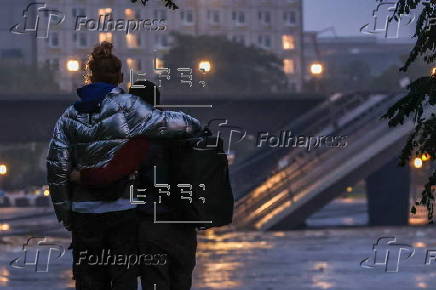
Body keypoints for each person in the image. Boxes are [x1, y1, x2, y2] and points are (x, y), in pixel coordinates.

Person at [46, 42, 200, 290]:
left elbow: (56, 170)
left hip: (83, 213)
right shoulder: (131, 107)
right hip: (122, 211)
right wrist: (191, 123)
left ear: (89, 76)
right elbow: (182, 125)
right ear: (120, 77)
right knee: (123, 278)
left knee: (88, 279)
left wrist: (66, 215)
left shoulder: (68, 116)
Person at [73, 80, 199, 290]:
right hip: (186, 226)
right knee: (182, 282)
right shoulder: (182, 130)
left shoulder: (139, 137)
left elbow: (111, 174)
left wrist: (80, 176)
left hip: (151, 224)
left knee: (155, 282)